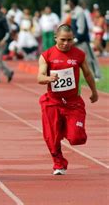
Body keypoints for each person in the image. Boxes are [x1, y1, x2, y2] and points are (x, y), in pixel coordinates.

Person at [37, 24, 98, 175]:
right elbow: (39, 77)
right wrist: (48, 78)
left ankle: (66, 128)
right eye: (63, 40)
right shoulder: (47, 55)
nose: (66, 43)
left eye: (70, 40)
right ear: (56, 38)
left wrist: (94, 91)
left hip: (73, 103)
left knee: (77, 138)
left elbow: (88, 74)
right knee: (51, 137)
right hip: (53, 102)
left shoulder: (79, 54)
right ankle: (59, 163)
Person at [68, 0, 102, 80]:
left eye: (69, 2)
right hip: (76, 40)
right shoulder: (74, 12)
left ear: (72, 3)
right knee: (75, 60)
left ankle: (97, 76)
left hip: (82, 41)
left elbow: (81, 28)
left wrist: (76, 39)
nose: (68, 3)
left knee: (89, 59)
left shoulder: (79, 12)